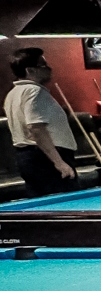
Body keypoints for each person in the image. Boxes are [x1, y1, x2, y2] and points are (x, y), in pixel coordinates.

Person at [5, 48, 79, 196]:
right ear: (30, 70)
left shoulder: (12, 93)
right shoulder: (35, 91)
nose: (49, 68)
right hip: (46, 159)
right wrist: (59, 163)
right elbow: (36, 129)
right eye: (43, 65)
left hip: (28, 157)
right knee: (65, 204)